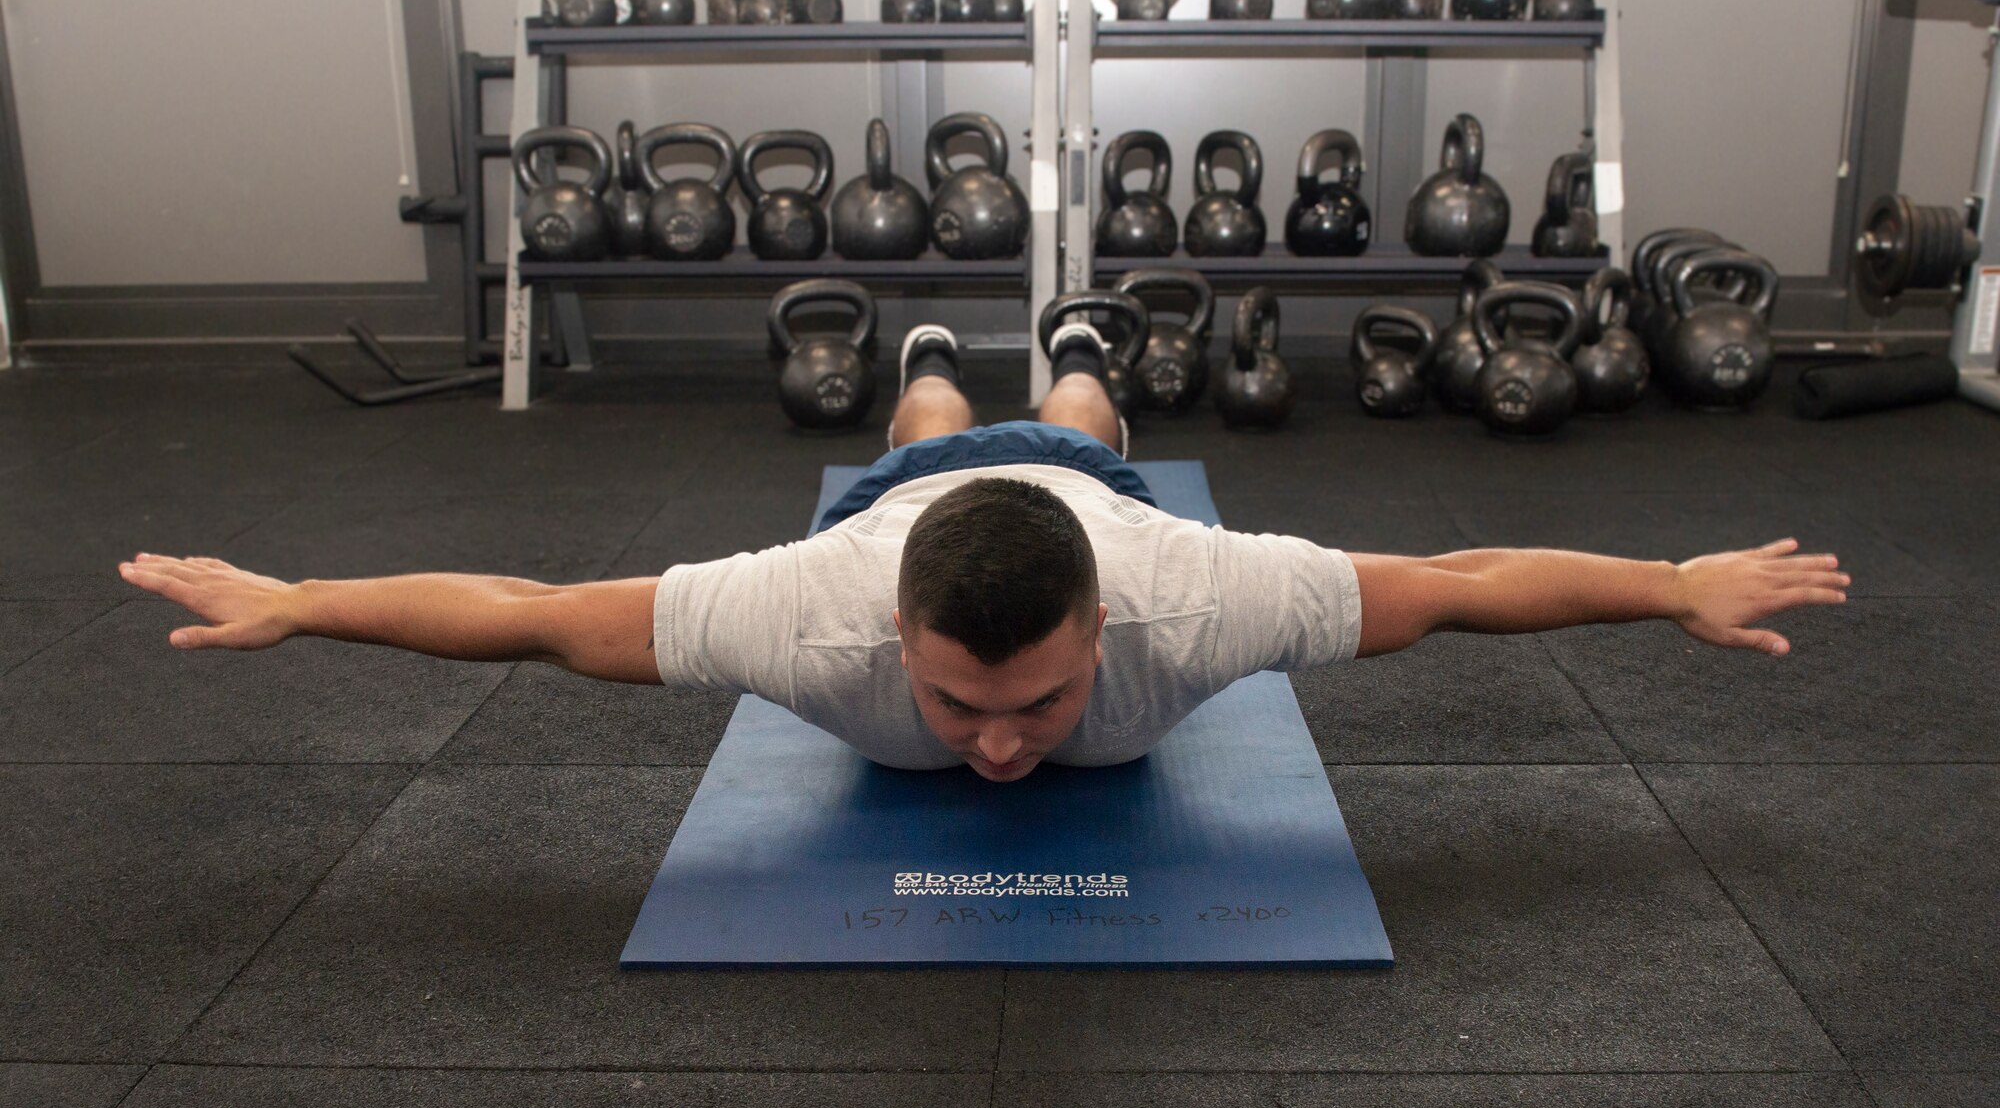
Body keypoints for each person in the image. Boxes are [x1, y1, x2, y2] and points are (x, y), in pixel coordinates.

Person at [117, 315, 1851, 784]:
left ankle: (1069, 344)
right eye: (958, 712)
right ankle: (934, 366)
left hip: (1087, 497)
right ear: (899, 653)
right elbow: (549, 619)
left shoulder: (1195, 591)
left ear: (1107, 627)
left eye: (1036, 704)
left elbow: (1463, 591)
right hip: (904, 515)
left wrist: (1674, 584)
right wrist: (304, 606)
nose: (1005, 744)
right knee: (916, 444)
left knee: (1086, 426)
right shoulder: (813, 621)